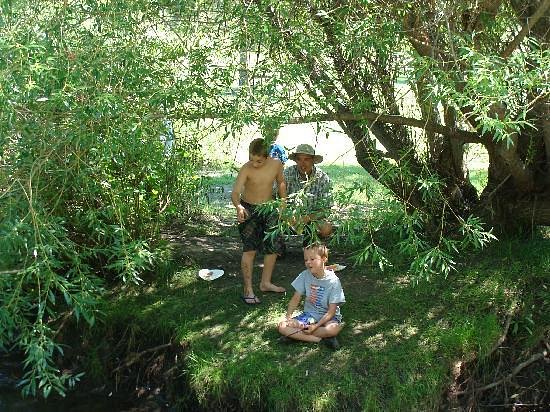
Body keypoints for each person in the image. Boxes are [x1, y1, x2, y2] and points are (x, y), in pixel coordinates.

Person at [231, 138, 287, 305]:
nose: (254, 164)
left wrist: (283, 202)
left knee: (272, 247)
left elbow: (281, 182)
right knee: (250, 249)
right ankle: (248, 290)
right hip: (249, 209)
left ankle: (265, 283)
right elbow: (235, 193)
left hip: (270, 208)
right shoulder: (246, 169)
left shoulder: (276, 164)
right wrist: (239, 207)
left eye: (259, 161)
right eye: (251, 159)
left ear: (267, 156)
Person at [277, 243, 345, 350]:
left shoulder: (333, 281)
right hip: (310, 315)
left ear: (324, 259)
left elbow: (331, 312)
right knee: (282, 326)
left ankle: (297, 336)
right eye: (305, 260)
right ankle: (320, 340)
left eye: (312, 259)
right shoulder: (305, 275)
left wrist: (315, 327)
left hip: (328, 317)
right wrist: (289, 318)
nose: (308, 262)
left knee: (333, 329)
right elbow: (295, 299)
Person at [284, 144, 333, 247]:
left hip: (312, 218)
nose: (303, 163)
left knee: (326, 227)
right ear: (296, 161)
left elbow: (326, 209)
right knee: (270, 220)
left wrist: (307, 218)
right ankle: (276, 249)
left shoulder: (322, 178)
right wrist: (286, 214)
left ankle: (311, 245)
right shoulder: (287, 173)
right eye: (299, 159)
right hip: (288, 217)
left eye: (306, 159)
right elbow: (274, 197)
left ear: (313, 161)